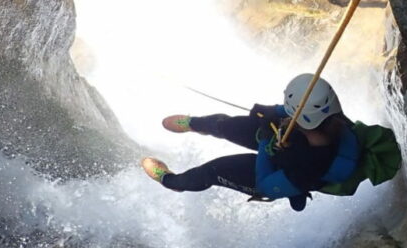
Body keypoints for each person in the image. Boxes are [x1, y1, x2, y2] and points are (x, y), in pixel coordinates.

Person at [140, 73, 357, 211]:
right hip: (287, 139)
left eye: (291, 112)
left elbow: (266, 184)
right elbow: (305, 109)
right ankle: (194, 124)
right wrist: (274, 111)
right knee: (226, 125)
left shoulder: (308, 170)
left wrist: (265, 142)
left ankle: (171, 181)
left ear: (301, 120)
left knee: (213, 171)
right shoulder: (332, 119)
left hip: (278, 171)